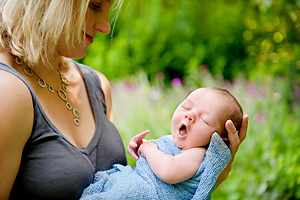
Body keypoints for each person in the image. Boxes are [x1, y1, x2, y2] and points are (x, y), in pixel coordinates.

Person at [0, 0, 249, 199]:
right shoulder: (8, 90)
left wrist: (199, 181)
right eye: (95, 5)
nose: (106, 26)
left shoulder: (96, 86)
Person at [80, 87, 243, 199]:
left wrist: (148, 149)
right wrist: (142, 146)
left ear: (218, 141)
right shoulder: (177, 142)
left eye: (204, 119)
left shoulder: (199, 153)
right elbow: (160, 155)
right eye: (186, 107)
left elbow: (169, 170)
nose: (189, 115)